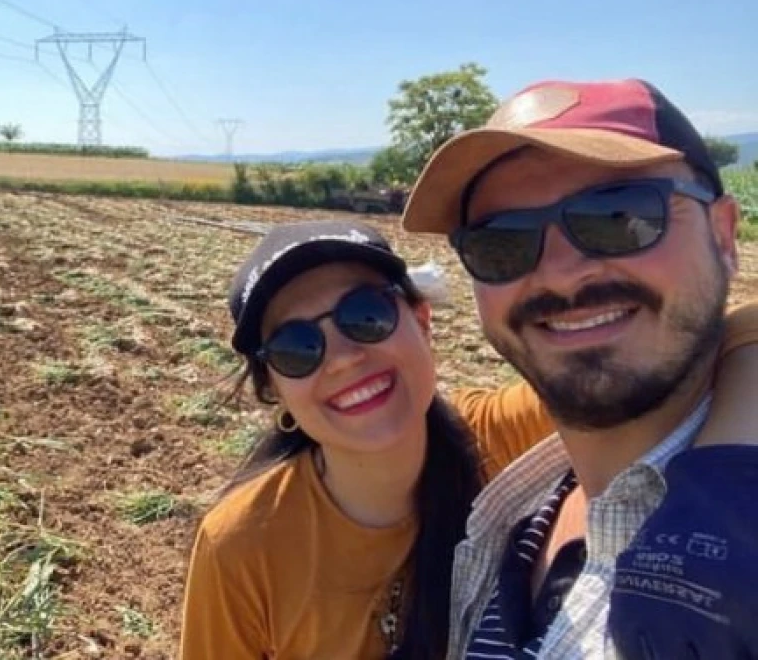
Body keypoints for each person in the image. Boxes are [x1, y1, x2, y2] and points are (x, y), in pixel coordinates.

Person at [176, 218, 758, 659]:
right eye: (297, 348)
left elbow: (712, 334)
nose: (345, 358)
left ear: (421, 319)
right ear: (275, 390)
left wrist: (722, 479)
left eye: (365, 315)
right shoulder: (243, 546)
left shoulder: (503, 436)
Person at [401, 78, 758, 658]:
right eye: (501, 243)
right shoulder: (508, 516)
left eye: (619, 216)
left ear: (723, 235)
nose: (562, 273)